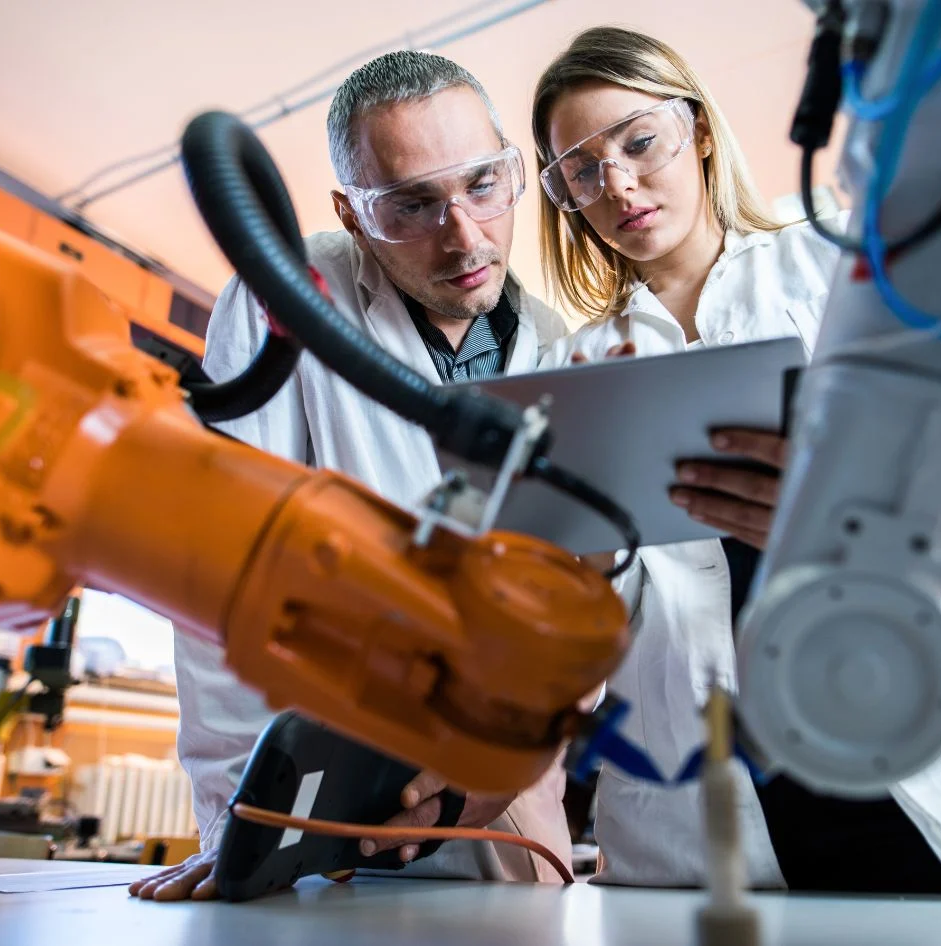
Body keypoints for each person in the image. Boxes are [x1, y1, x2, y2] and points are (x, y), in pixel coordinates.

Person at [530, 25, 941, 922]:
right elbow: (590, 620)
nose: (616, 184)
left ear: (698, 131)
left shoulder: (839, 269)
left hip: (908, 747)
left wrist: (845, 516)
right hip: (708, 801)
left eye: (638, 141)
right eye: (580, 170)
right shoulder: (574, 370)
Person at [130, 50, 571, 902]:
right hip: (320, 809)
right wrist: (243, 826)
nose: (465, 236)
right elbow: (221, 571)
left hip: (504, 802)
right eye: (412, 204)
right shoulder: (290, 291)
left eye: (483, 184)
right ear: (353, 213)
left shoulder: (554, 341)